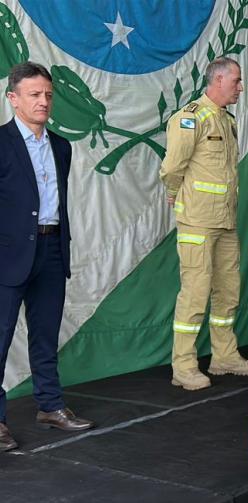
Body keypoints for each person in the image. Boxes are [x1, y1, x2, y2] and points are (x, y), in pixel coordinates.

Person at [0, 62, 95, 451]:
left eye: (48, 95)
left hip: (52, 249)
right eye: (34, 94)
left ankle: (51, 406)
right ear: (13, 98)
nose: (43, 101)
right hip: (9, 255)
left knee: (45, 334)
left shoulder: (61, 146)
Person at [159, 57, 248, 390]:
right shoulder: (190, 118)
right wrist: (174, 193)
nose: (240, 87)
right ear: (218, 80)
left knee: (228, 292)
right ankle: (183, 366)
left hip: (225, 220)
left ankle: (224, 356)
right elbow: (172, 168)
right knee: (195, 293)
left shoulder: (226, 120)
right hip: (198, 221)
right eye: (236, 81)